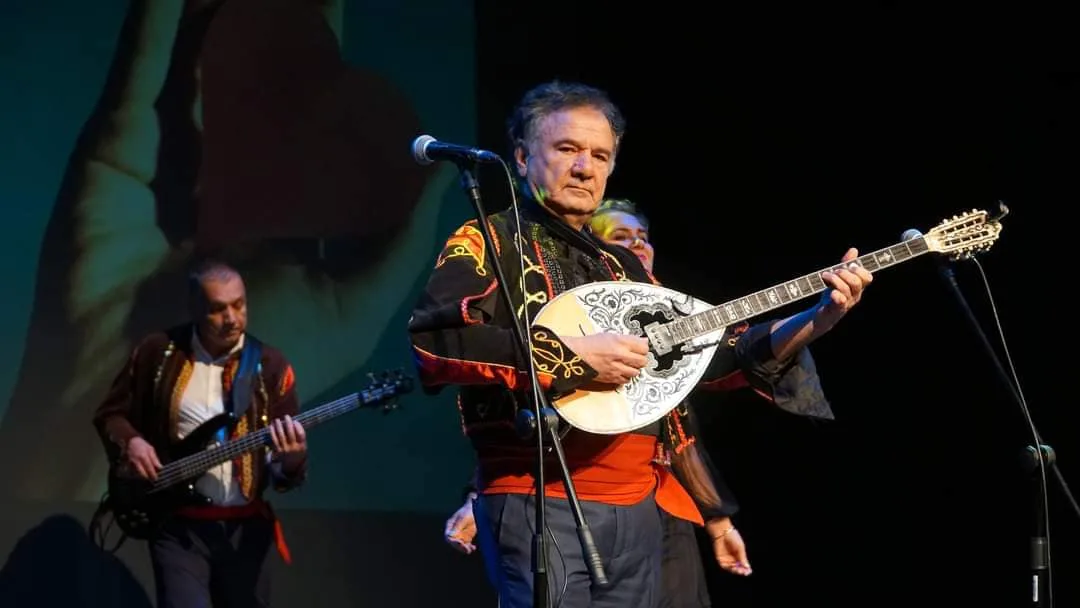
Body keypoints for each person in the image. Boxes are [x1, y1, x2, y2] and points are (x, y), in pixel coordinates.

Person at [407, 80, 872, 608]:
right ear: (521, 156)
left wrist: (820, 316)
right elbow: (435, 343)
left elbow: (714, 357)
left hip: (637, 505)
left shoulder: (622, 265)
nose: (584, 168)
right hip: (536, 495)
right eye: (567, 149)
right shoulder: (486, 240)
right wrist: (569, 356)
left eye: (599, 155)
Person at [443, 198, 751, 608]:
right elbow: (510, 399)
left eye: (642, 237)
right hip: (559, 496)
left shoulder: (666, 314)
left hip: (655, 501)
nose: (636, 246)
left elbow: (681, 428)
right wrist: (475, 498)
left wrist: (718, 521)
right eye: (620, 237)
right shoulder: (568, 317)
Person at [92, 259, 309, 608]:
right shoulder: (159, 352)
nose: (232, 318)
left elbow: (284, 471)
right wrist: (131, 442)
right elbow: (111, 414)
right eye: (218, 309)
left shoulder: (270, 365)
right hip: (178, 526)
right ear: (194, 308)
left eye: (239, 305)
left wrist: (293, 458)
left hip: (245, 531)